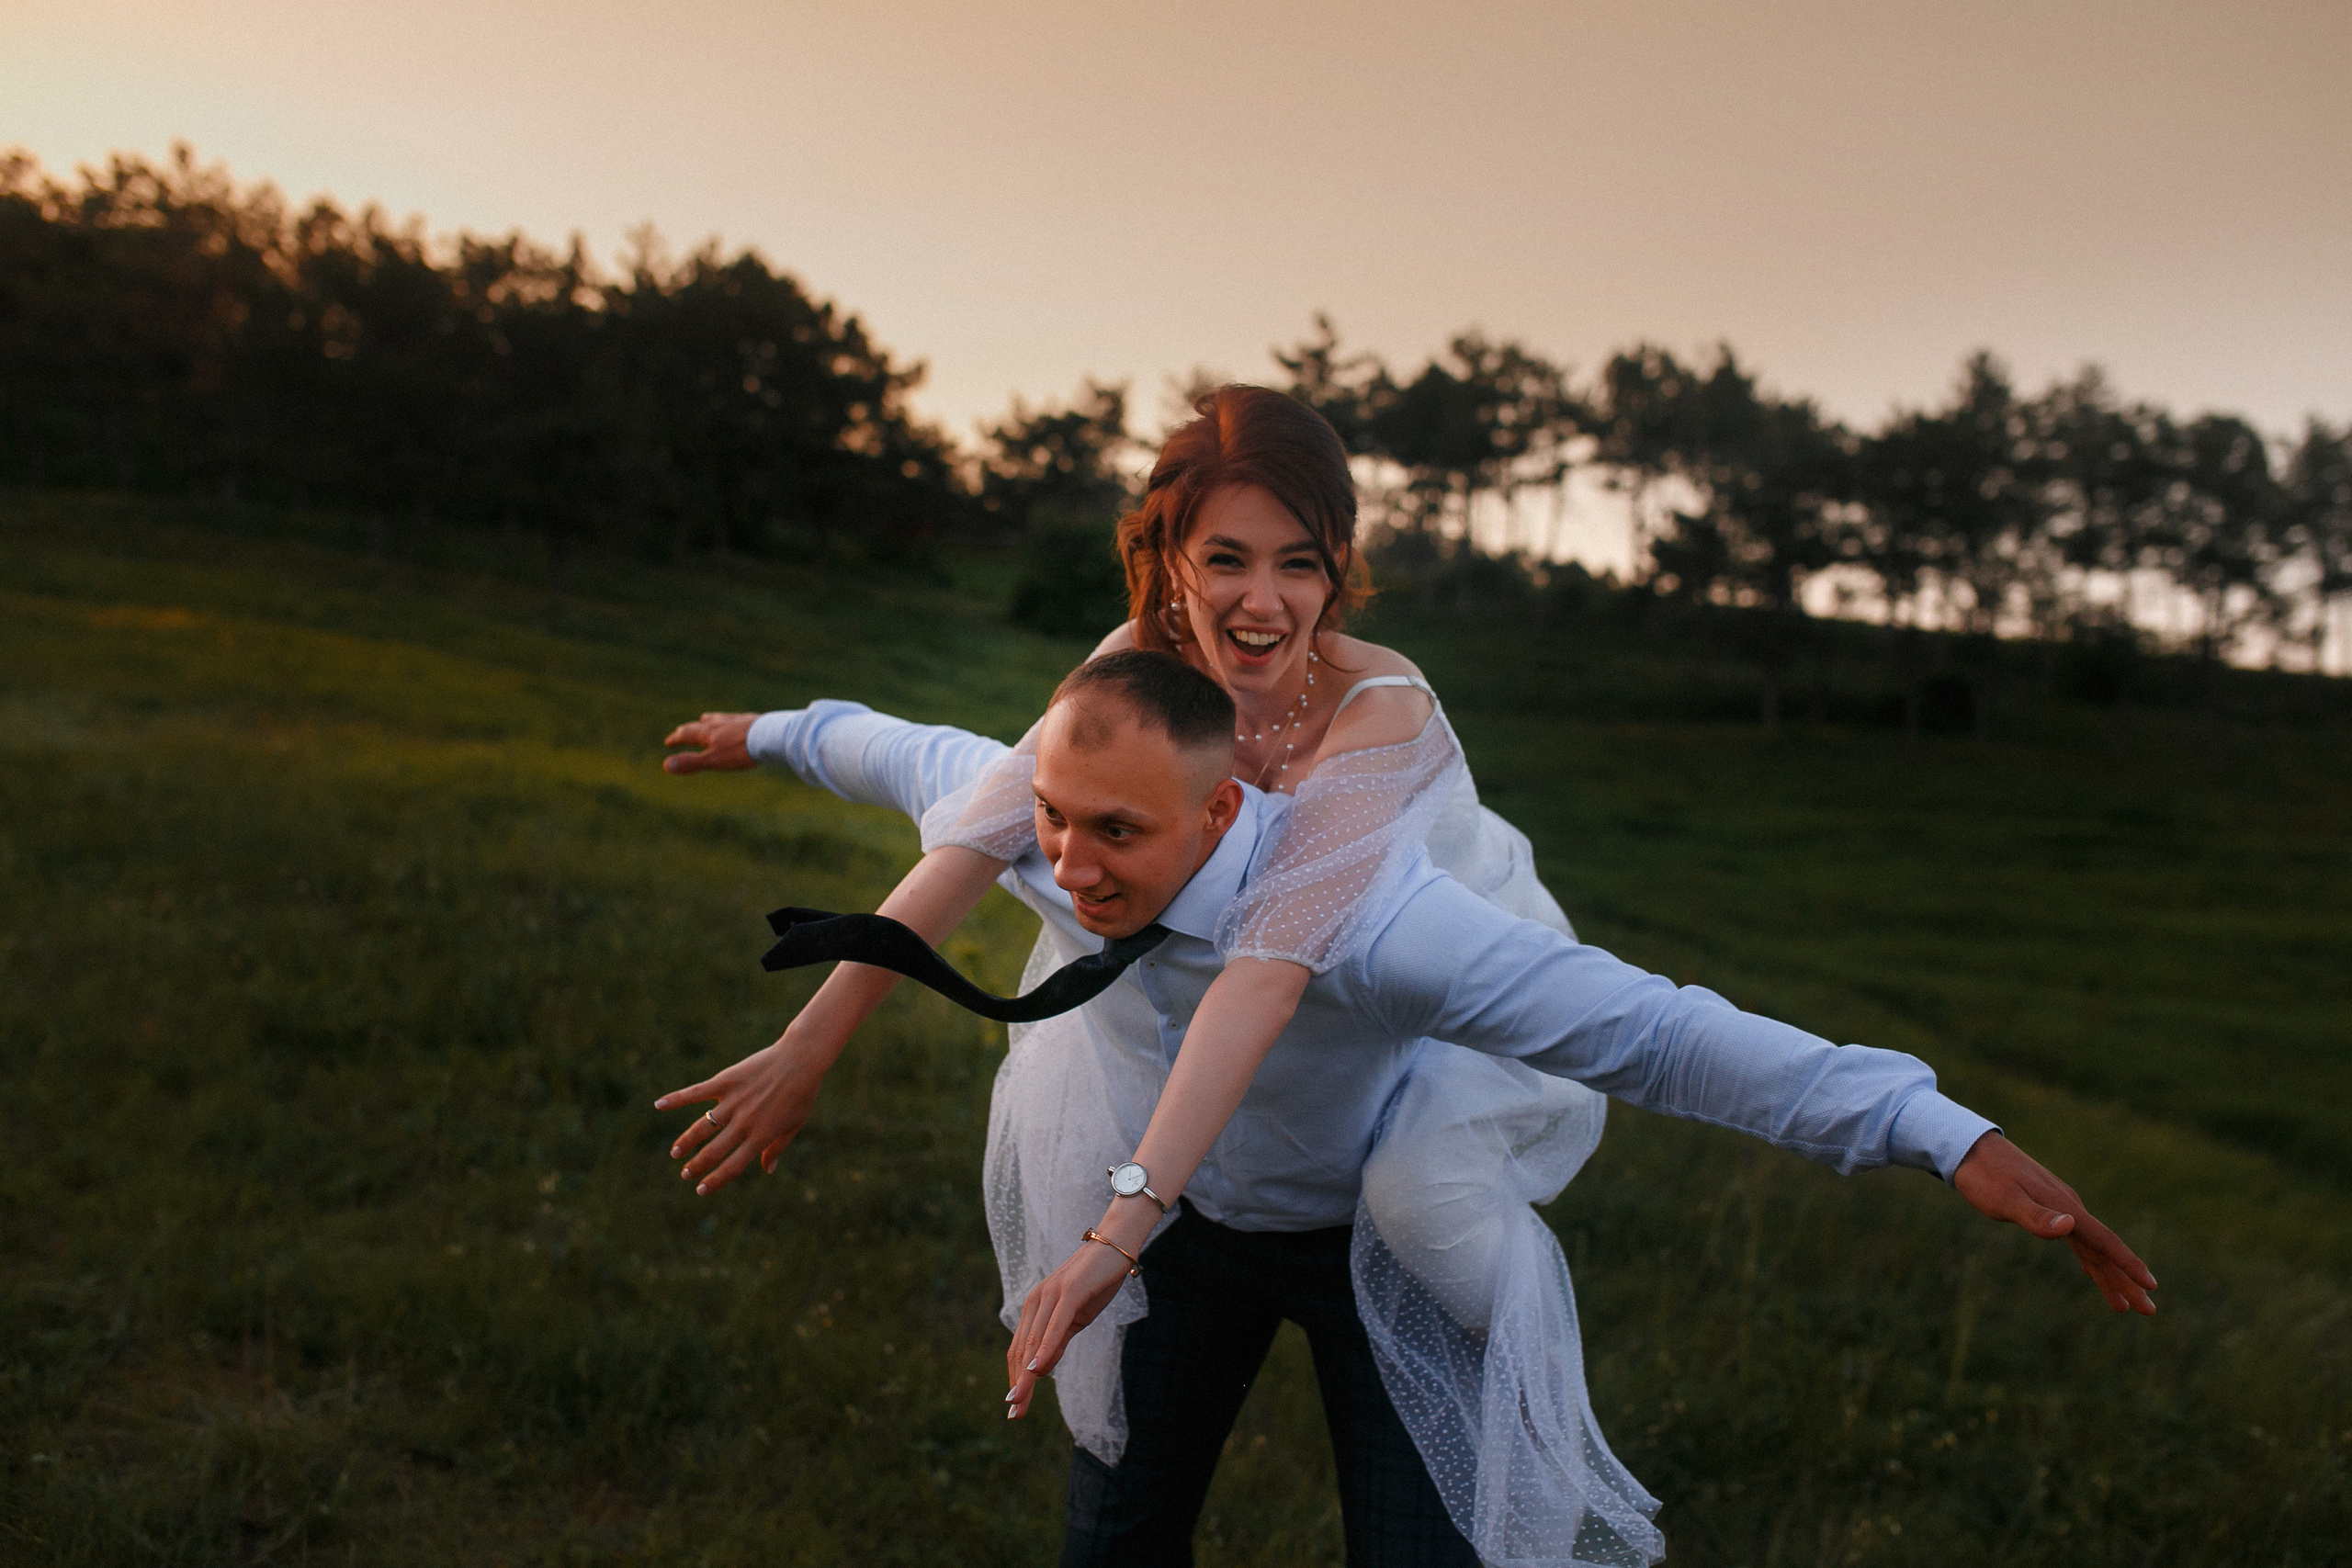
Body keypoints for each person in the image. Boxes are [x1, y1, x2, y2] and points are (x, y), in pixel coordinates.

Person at [662, 652, 2155, 1568]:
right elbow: (891, 748)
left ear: (1221, 814)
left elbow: (1654, 1030)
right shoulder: (1039, 817)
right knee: (1114, 1532)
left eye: (1118, 832)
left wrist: (1936, 1128)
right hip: (1173, 1229)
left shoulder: (1375, 918)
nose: (1074, 860)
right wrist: (774, 729)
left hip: (1379, 1249)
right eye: (1055, 817)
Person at [660, 387, 1624, 1557]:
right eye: (1224, 558)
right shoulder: (1130, 675)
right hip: (1195, 1175)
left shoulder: (1383, 716)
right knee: (1118, 1531)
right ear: (1167, 560)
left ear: (1337, 572)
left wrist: (1116, 1232)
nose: (1261, 602)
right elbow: (969, 820)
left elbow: (1263, 975)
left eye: (1298, 563)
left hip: (1384, 1175)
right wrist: (807, 1042)